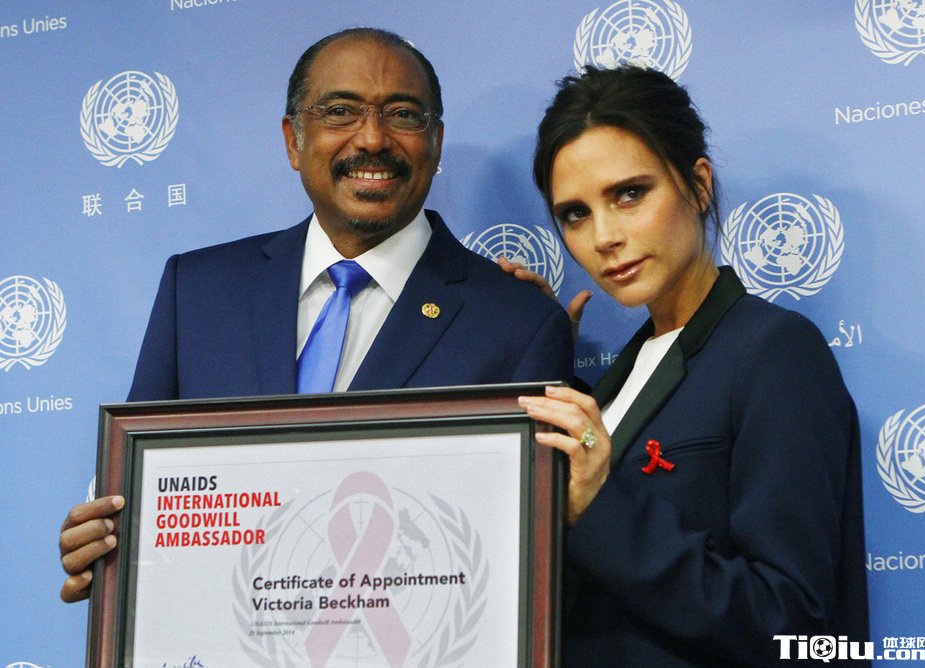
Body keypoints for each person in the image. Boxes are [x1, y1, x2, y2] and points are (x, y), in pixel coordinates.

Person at [58, 28, 573, 603]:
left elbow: (521, 559)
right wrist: (106, 548)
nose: (372, 138)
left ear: (436, 142)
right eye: (340, 112)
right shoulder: (197, 291)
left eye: (403, 115)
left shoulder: (518, 324)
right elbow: (141, 490)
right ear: (293, 140)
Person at [515, 65, 869, 666]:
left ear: (699, 185)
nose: (604, 237)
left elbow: (794, 624)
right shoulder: (621, 378)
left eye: (630, 194)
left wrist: (601, 506)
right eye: (575, 213)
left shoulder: (775, 352)